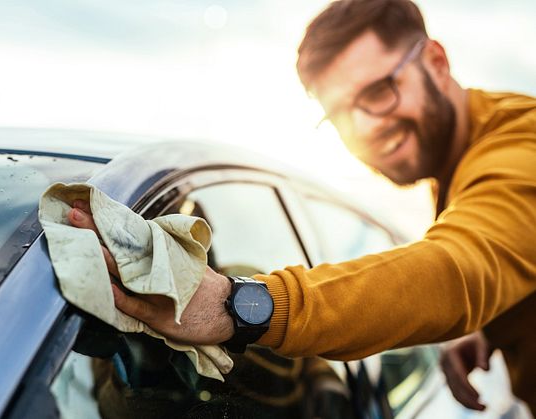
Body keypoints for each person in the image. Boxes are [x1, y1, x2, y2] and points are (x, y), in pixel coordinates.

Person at [67, 0, 536, 413]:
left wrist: (235, 304)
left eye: (377, 92)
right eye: (341, 115)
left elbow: (458, 270)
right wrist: (493, 328)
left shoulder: (522, 146)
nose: (366, 128)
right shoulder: (465, 157)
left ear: (435, 61)